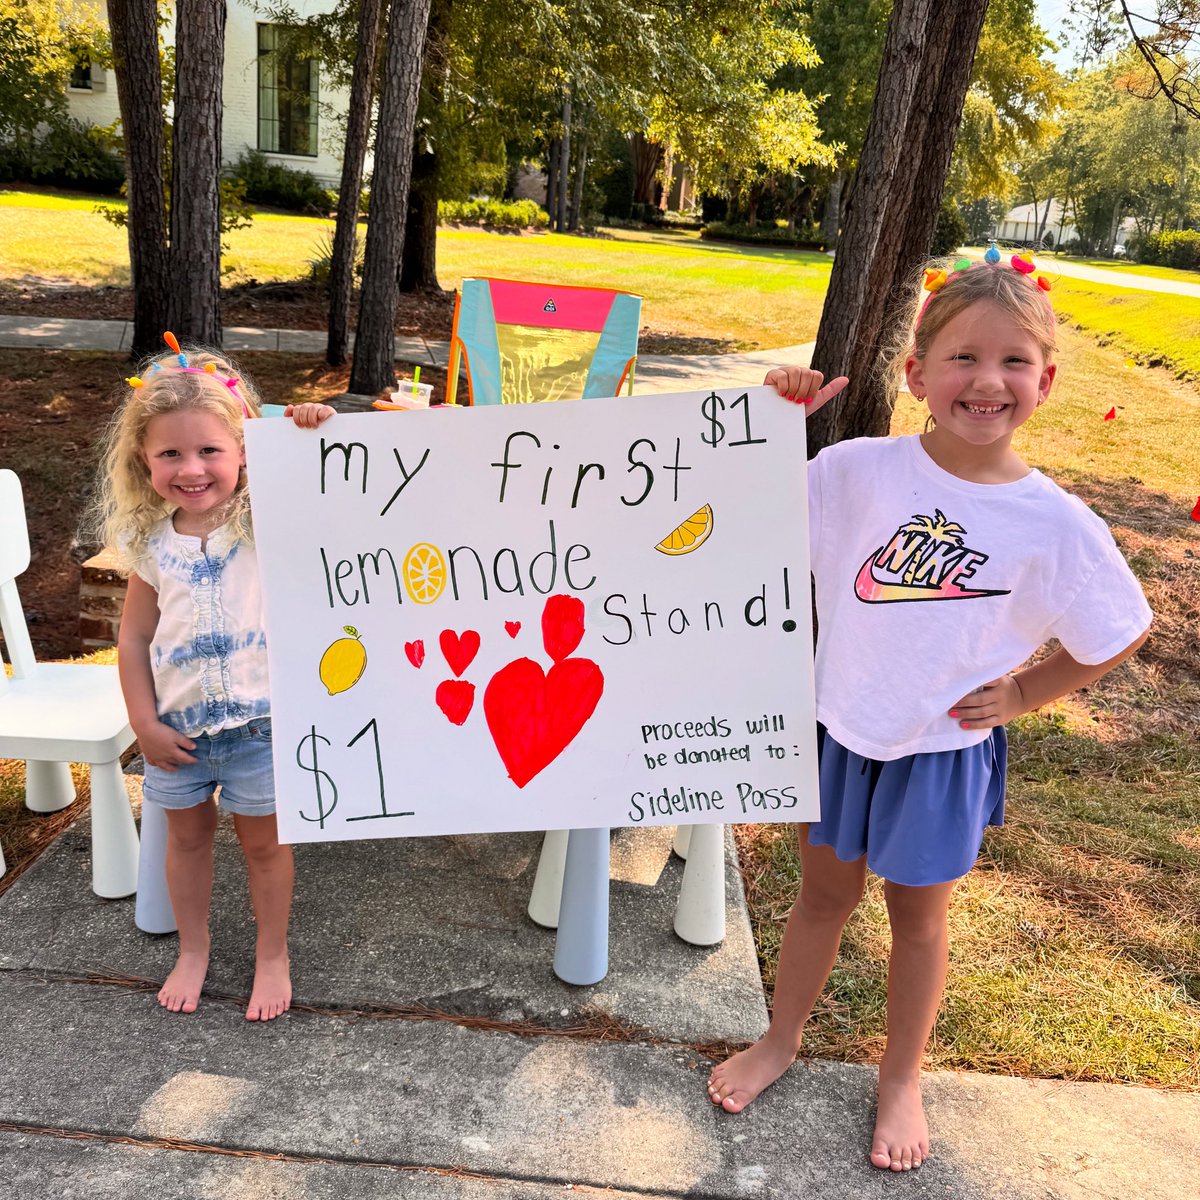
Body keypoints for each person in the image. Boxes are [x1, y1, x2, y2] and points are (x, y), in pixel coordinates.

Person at [706, 255, 1152, 1170]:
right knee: (821, 900)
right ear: (916, 374)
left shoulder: (1057, 524)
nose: (988, 380)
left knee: (918, 921)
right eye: (963, 358)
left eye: (1015, 361)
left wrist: (1026, 691)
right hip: (841, 733)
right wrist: (771, 422)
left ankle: (901, 1078)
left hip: (942, 753)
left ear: (1046, 381)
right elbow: (741, 517)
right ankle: (780, 1040)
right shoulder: (855, 471)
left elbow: (1119, 629)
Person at [95, 335, 334, 1021]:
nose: (192, 468)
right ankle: (193, 948)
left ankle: (271, 954)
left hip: (260, 728)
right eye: (170, 453)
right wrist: (143, 723)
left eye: (209, 450)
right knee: (186, 840)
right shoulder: (149, 542)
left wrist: (308, 431)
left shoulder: (263, 521)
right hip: (178, 733)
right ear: (144, 459)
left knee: (265, 847)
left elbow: (329, 489)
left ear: (244, 452)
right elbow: (134, 637)